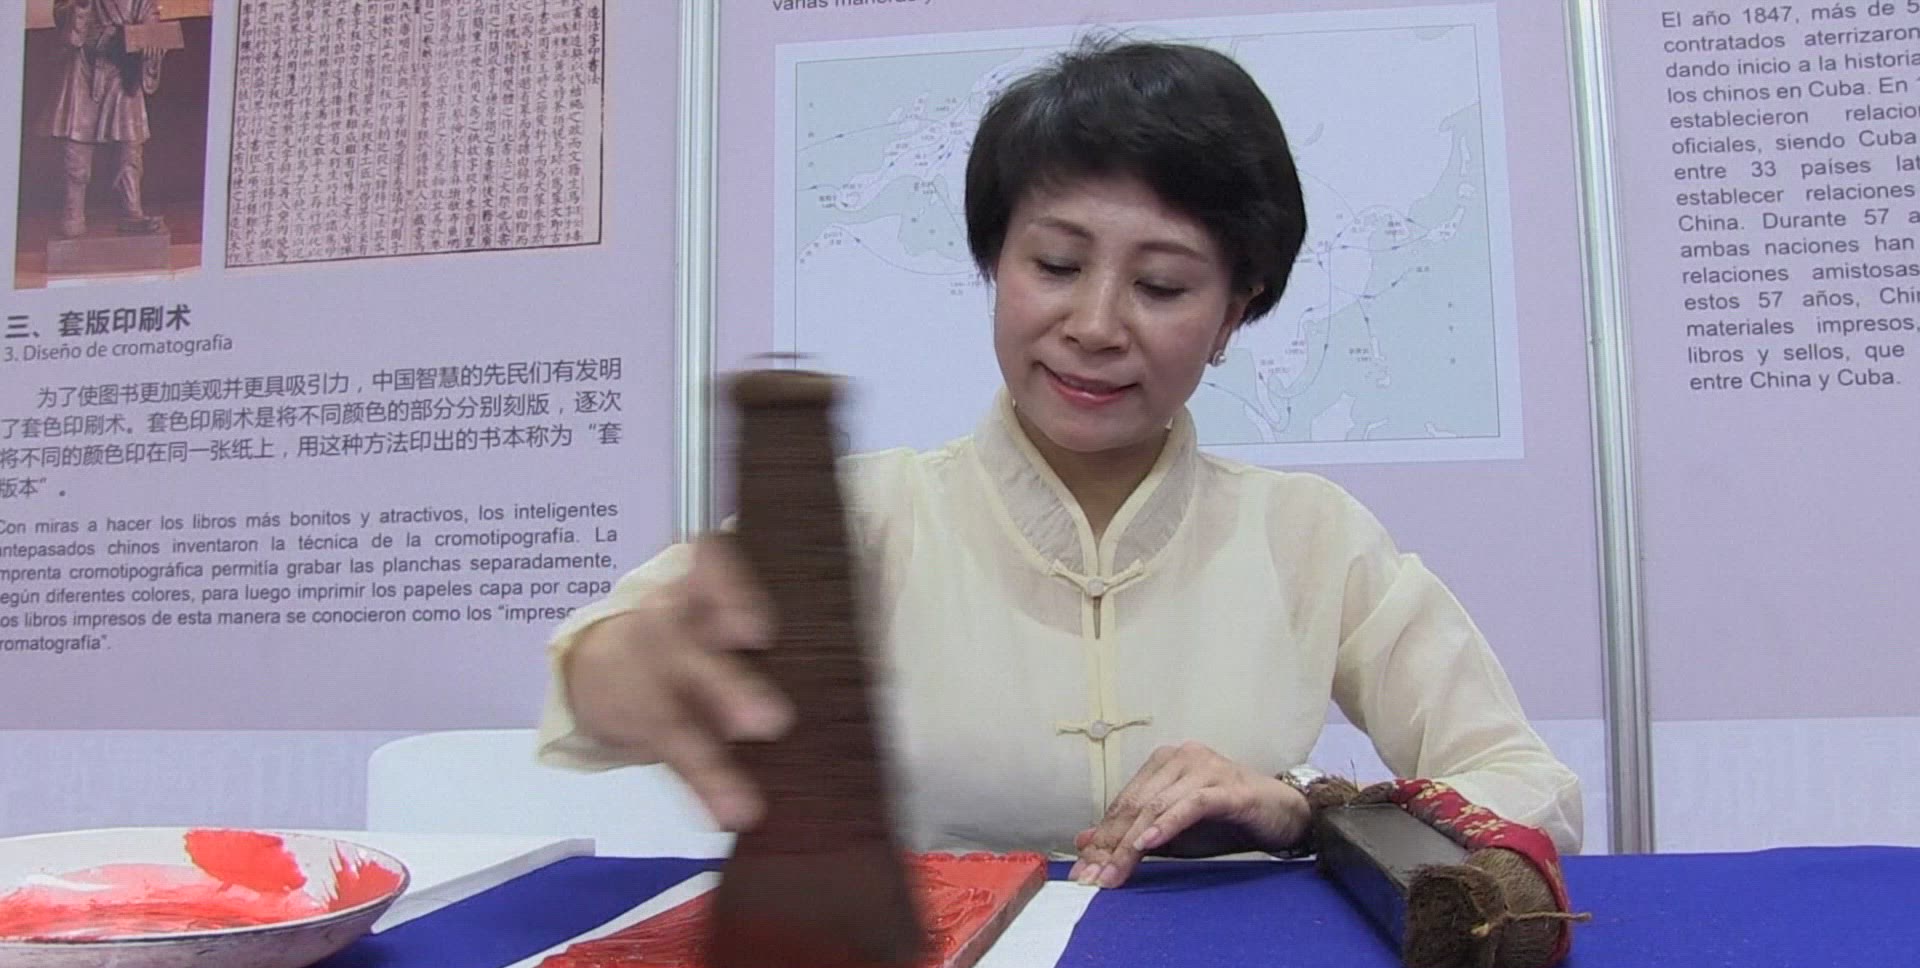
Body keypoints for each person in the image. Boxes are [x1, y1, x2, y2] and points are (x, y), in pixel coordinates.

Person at [537, 38, 1582, 888]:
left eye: (1162, 285)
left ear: (1235, 312)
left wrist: (1303, 805)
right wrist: (618, 666)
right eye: (1056, 263)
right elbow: (601, 667)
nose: (1094, 325)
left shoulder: (1312, 535)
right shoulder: (866, 514)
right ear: (996, 262)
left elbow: (1527, 785)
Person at [37, 0, 170, 239]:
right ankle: (73, 214)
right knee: (76, 146)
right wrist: (81, 7)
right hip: (84, 66)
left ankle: (132, 212)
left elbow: (150, 15)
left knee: (130, 146)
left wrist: (149, 38)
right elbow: (62, 14)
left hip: (123, 67)